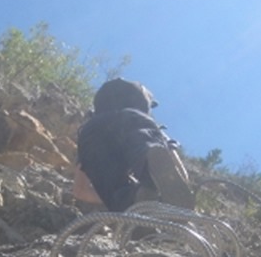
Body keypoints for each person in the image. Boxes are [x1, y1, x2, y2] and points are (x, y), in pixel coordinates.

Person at [75, 78, 195, 212]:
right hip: (132, 120)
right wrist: (174, 184)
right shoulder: (142, 120)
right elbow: (171, 164)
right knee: (145, 151)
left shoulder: (92, 124)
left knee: (117, 191)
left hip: (92, 132)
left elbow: (80, 190)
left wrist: (113, 200)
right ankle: (149, 180)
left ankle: (132, 201)